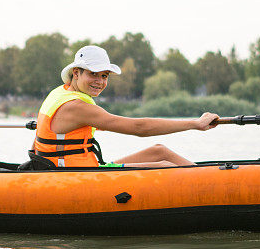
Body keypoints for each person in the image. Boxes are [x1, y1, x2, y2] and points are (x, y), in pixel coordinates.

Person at [32, 45, 218, 168]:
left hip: (81, 169)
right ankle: (212, 189)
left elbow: (41, 142)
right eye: (93, 74)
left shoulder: (59, 93)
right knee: (164, 167)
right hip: (77, 176)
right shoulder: (78, 107)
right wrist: (195, 124)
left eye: (104, 76)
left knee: (159, 151)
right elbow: (140, 128)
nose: (99, 81)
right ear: (76, 73)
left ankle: (209, 180)